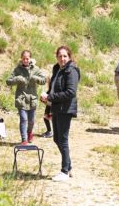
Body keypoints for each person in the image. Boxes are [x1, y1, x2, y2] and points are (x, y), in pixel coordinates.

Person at [40, 46, 80, 182]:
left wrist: (51, 97)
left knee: (62, 139)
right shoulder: (57, 69)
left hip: (66, 109)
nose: (62, 59)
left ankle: (64, 171)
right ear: (56, 57)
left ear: (69, 57)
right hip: (57, 108)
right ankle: (68, 166)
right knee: (57, 139)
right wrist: (46, 96)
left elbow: (71, 92)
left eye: (65, 56)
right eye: (60, 56)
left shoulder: (71, 70)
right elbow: (52, 88)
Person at [6, 50, 46, 145]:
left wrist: (36, 79)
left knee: (31, 121)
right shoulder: (17, 69)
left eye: (27, 58)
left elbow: (44, 80)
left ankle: (29, 133)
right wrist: (17, 79)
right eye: (23, 58)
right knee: (23, 119)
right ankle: (24, 140)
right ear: (21, 58)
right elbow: (8, 81)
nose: (25, 60)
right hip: (21, 99)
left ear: (30, 58)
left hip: (32, 99)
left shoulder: (36, 69)